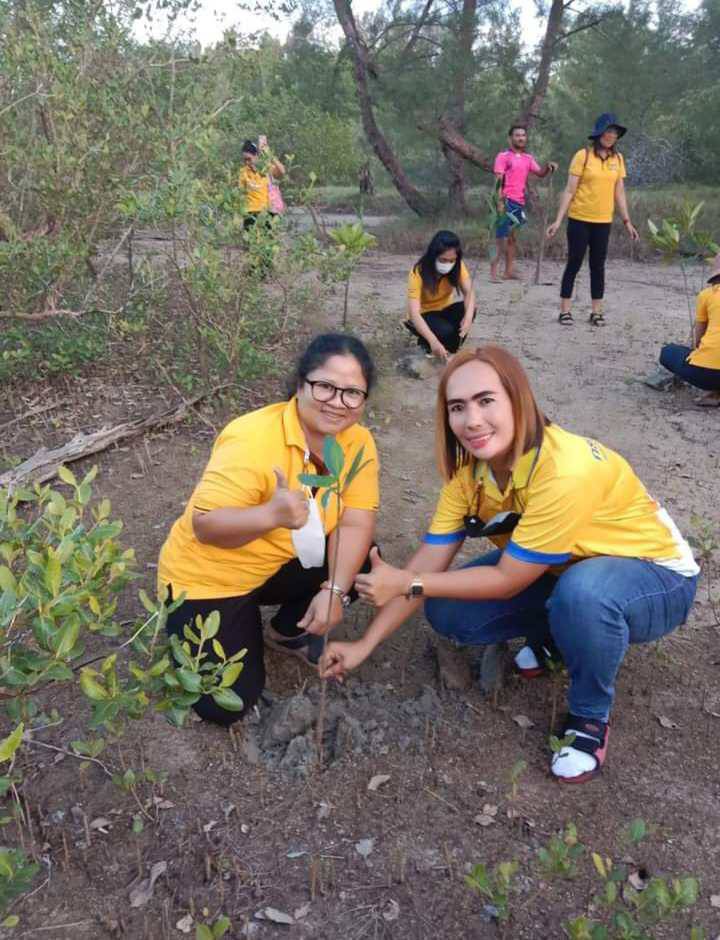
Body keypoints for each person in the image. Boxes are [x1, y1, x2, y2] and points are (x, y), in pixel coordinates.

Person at [321, 346, 699, 784]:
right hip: (564, 566)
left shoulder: (565, 470)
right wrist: (365, 644)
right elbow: (429, 560)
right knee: (446, 609)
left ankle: (589, 717)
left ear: (518, 399)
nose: (472, 420)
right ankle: (560, 636)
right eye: (457, 408)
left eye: (486, 400)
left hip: (655, 577)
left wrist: (410, 581)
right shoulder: (470, 478)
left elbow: (505, 580)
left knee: (584, 594)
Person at [157, 334, 379, 725]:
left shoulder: (357, 442)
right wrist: (269, 515)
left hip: (275, 561)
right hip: (210, 577)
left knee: (364, 564)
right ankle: (189, 625)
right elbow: (205, 526)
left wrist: (333, 591)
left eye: (352, 393)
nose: (337, 401)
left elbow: (356, 520)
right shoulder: (253, 438)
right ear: (300, 384)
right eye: (325, 386)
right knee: (227, 704)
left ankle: (283, 631)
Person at [547, 113, 639, 326]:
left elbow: (620, 193)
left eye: (615, 132)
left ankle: (596, 311)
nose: (611, 135)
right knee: (574, 263)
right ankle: (565, 310)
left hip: (603, 222)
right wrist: (558, 220)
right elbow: (569, 191)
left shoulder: (618, 159)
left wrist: (627, 222)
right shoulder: (583, 156)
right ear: (599, 133)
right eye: (608, 131)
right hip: (579, 219)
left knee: (598, 266)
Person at [646, 253, 720, 406]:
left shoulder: (707, 295)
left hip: (706, 374)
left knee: (668, 352)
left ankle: (715, 392)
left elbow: (697, 340)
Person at [490, 124, 557, 282]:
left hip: (518, 202)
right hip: (504, 201)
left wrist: (548, 167)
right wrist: (499, 202)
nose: (521, 138)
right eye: (517, 135)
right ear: (510, 138)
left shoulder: (528, 158)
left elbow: (540, 173)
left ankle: (509, 272)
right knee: (500, 238)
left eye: (523, 135)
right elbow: (497, 181)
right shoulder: (503, 156)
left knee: (513, 238)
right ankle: (493, 273)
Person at [404, 230, 476, 361]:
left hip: (443, 310)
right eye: (443, 260)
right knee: (446, 331)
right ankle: (428, 344)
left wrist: (468, 317)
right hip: (423, 315)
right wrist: (433, 341)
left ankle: (449, 350)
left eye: (451, 260)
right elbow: (414, 313)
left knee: (468, 309)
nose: (447, 264)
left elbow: (469, 292)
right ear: (433, 256)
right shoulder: (417, 272)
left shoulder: (458, 266)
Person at [239, 135, 286, 229]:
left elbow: (282, 171)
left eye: (249, 159)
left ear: (256, 156)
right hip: (250, 213)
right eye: (245, 160)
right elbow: (241, 193)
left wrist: (270, 155)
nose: (247, 162)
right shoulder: (243, 172)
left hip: (267, 212)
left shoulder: (267, 168)